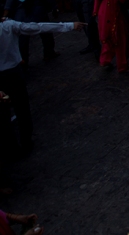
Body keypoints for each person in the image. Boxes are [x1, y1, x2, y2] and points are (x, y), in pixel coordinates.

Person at [0, 19, 82, 154]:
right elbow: (38, 27)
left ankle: (12, 148)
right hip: (13, 73)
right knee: (22, 109)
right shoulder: (8, 26)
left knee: (4, 114)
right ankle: (26, 142)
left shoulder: (8, 26)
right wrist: (68, 26)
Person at [4, 0, 57, 65]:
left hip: (21, 16)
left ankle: (23, 61)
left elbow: (8, 4)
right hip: (39, 14)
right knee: (46, 33)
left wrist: (4, 17)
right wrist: (55, 9)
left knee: (22, 40)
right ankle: (48, 53)